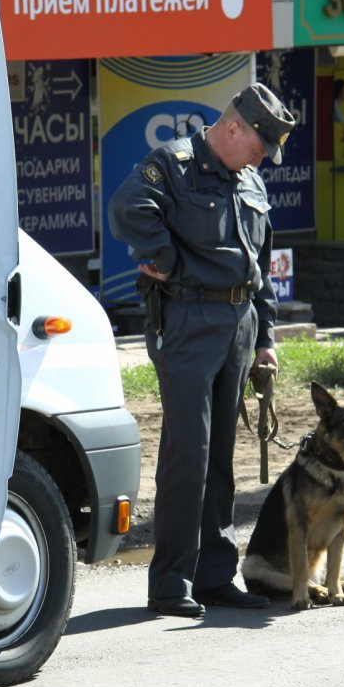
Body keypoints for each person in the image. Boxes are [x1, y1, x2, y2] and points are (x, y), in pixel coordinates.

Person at [107, 82, 294, 619]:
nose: (262, 158)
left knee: (219, 458)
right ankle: (171, 583)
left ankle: (214, 576)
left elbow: (259, 265)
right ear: (233, 128)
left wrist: (265, 338)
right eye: (259, 146)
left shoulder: (249, 179)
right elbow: (127, 209)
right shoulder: (173, 164)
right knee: (188, 452)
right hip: (187, 321)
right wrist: (169, 261)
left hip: (239, 323)